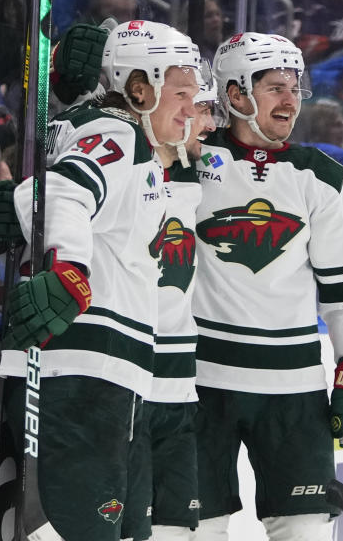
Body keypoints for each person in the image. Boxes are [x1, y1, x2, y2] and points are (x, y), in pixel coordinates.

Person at [0, 19, 201, 541]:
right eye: (182, 93)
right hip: (77, 378)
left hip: (108, 380)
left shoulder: (128, 143)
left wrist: (10, 207)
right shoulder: (117, 131)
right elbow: (65, 194)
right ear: (139, 88)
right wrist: (68, 270)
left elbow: (41, 192)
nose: (191, 109)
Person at [191, 32, 343, 541]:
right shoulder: (187, 163)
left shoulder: (322, 178)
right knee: (192, 530)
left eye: (295, 88)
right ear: (235, 95)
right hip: (197, 383)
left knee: (304, 532)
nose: (291, 100)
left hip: (293, 393)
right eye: (276, 87)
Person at [121, 62, 217, 541]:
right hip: (129, 385)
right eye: (200, 108)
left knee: (178, 529)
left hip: (179, 389)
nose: (208, 122)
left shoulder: (198, 179)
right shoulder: (124, 174)